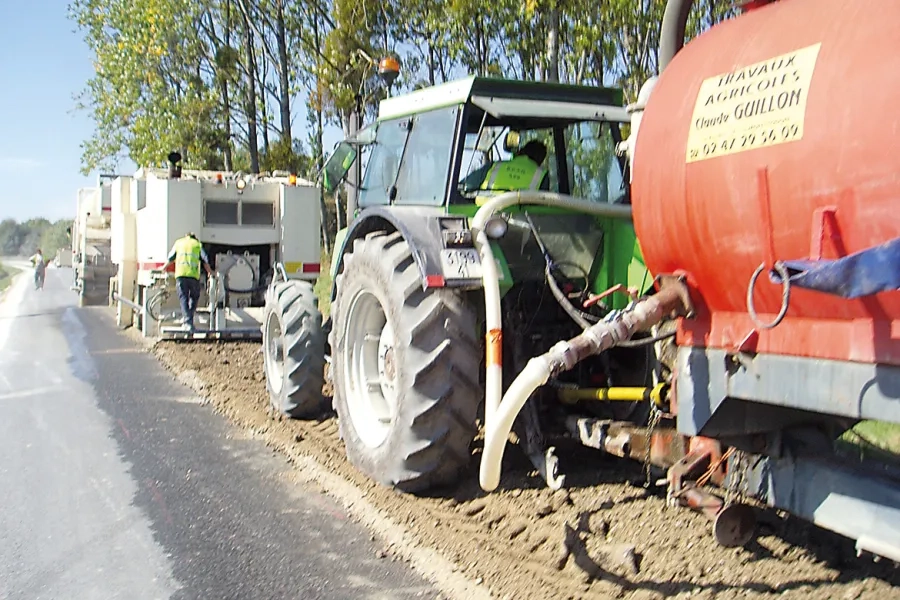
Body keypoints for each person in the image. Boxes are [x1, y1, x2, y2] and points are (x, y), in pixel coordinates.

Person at [161, 233, 213, 332]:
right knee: (194, 296)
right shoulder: (197, 244)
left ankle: (187, 321)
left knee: (183, 298)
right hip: (193, 276)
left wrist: (163, 268)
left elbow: (171, 258)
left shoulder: (178, 243)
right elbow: (205, 260)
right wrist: (211, 272)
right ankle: (189, 319)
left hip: (180, 275)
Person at [479, 140, 551, 193]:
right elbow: (543, 201)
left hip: (483, 210)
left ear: (521, 151)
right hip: (524, 213)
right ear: (541, 160)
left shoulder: (494, 166)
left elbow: (469, 183)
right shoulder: (542, 175)